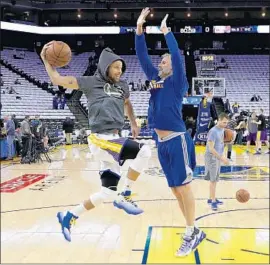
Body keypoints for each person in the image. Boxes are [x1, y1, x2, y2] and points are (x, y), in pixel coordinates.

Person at [40, 42, 151, 242]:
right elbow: (57, 78)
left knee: (107, 193)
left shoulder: (123, 86)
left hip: (114, 139)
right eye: (116, 67)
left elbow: (127, 104)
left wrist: (133, 122)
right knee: (145, 151)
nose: (120, 71)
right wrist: (45, 60)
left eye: (121, 68)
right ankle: (126, 193)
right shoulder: (89, 82)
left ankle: (69, 216)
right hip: (101, 139)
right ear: (106, 66)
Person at [135, 8, 205, 257]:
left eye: (163, 61)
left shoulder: (178, 81)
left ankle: (191, 231)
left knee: (184, 188)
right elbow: (142, 55)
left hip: (177, 139)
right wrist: (140, 28)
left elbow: (176, 55)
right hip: (161, 142)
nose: (160, 63)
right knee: (175, 189)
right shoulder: (155, 78)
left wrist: (167, 33)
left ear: (171, 67)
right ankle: (192, 230)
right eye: (160, 61)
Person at [205, 112, 230, 211]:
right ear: (219, 120)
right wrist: (222, 158)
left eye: (226, 123)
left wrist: (223, 154)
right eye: (224, 122)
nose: (225, 124)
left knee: (215, 180)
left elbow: (220, 143)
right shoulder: (213, 131)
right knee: (213, 180)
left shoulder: (222, 129)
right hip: (212, 157)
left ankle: (212, 198)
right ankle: (213, 201)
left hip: (217, 157)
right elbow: (211, 148)